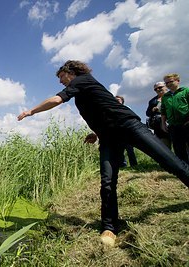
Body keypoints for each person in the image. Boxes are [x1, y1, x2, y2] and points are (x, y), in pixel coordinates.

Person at [17, 60, 189, 247]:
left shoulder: (82, 79)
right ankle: (109, 227)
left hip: (129, 125)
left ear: (71, 72)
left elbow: (57, 99)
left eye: (61, 77)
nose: (60, 81)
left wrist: (31, 111)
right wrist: (96, 133)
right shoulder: (81, 93)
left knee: (170, 162)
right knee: (107, 182)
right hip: (108, 137)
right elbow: (101, 110)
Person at [161, 73, 189, 163]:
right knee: (178, 148)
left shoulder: (186, 91)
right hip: (173, 125)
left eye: (170, 82)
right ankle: (185, 170)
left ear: (178, 81)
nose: (168, 84)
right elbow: (163, 111)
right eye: (166, 83)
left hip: (186, 124)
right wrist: (163, 123)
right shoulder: (165, 96)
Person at [146, 82, 171, 149]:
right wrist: (152, 110)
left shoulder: (173, 95)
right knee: (165, 148)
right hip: (159, 128)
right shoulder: (152, 101)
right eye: (155, 89)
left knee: (180, 146)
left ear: (165, 86)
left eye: (160, 87)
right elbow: (147, 113)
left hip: (173, 123)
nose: (158, 89)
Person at [115, 95, 138, 167]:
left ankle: (134, 165)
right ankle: (122, 165)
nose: (117, 101)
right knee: (120, 150)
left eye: (118, 100)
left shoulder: (127, 108)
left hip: (127, 132)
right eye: (115, 100)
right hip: (118, 132)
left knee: (130, 149)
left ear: (122, 101)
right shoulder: (113, 109)